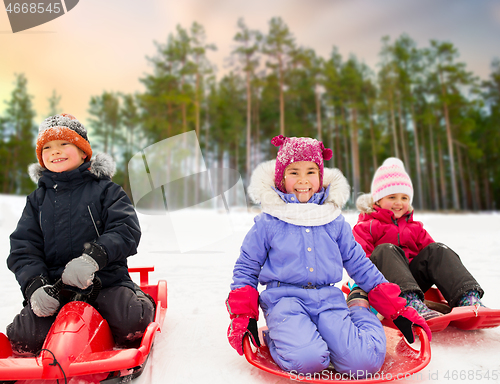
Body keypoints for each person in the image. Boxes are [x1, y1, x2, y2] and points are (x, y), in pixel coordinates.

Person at [225, 136, 431, 376]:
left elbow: (360, 265)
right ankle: (279, 337)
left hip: (328, 302)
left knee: (364, 364)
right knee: (308, 362)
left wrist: (398, 309)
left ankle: (358, 310)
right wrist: (243, 315)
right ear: (281, 178)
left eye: (311, 171)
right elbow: (246, 269)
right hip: (285, 302)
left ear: (321, 177)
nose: (303, 180)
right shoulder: (269, 222)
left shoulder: (333, 221)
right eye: (294, 172)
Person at [7, 113, 155, 355]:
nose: (55, 152)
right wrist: (35, 286)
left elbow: (125, 229)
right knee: (24, 339)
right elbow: (24, 248)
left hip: (105, 281)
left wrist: (93, 258)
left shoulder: (107, 191)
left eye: (64, 144)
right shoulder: (37, 201)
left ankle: (140, 299)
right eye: (47, 147)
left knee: (132, 323)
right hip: (57, 289)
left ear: (84, 151)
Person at [353, 157, 485, 322]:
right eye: (392, 197)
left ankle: (467, 297)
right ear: (378, 200)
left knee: (437, 250)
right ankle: (408, 303)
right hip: (383, 286)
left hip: (414, 285)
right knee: (386, 249)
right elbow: (357, 261)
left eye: (404, 198)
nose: (399, 203)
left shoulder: (415, 228)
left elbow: (435, 262)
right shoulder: (366, 226)